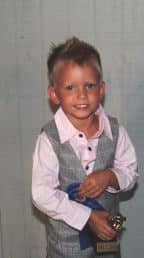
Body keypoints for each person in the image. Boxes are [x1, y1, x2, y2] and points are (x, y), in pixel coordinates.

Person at [31, 37, 138, 258]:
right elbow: (41, 194)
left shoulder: (116, 131)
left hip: (107, 244)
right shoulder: (49, 139)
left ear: (101, 89)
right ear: (54, 94)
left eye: (89, 86)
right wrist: (87, 216)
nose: (81, 95)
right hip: (65, 248)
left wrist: (109, 176)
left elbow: (130, 173)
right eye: (70, 87)